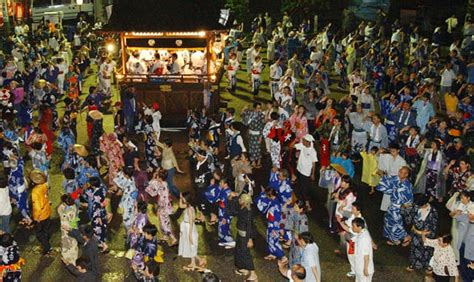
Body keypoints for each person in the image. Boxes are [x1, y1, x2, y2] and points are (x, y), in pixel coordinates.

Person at [376, 167, 414, 246]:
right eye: (400, 171)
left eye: (402, 172)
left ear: (406, 174)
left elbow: (408, 202)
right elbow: (386, 184)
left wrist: (403, 208)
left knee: (397, 224)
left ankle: (404, 237)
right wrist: (383, 175)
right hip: (392, 206)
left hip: (399, 208)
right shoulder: (397, 180)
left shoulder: (407, 186)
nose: (400, 173)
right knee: (390, 222)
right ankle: (395, 238)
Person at [227, 193, 257, 280]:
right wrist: (229, 200)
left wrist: (250, 239)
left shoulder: (248, 212)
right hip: (240, 234)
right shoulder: (242, 208)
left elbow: (249, 226)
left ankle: (253, 273)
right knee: (239, 252)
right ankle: (244, 268)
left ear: (244, 201)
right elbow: (231, 212)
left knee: (246, 253)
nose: (239, 200)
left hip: (245, 236)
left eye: (240, 199)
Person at [178, 192, 206, 271]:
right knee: (190, 246)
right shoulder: (189, 206)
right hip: (187, 227)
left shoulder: (189, 209)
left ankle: (198, 260)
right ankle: (194, 262)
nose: (182, 199)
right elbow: (180, 206)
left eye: (183, 198)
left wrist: (189, 234)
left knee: (191, 245)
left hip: (188, 228)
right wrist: (180, 198)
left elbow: (191, 222)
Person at [30, 169, 52, 255]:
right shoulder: (44, 186)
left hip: (40, 215)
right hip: (47, 211)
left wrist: (37, 217)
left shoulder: (35, 192)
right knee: (46, 230)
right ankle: (47, 241)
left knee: (39, 233)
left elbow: (37, 207)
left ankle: (47, 247)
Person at [294, 134, 318, 211]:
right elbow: (292, 146)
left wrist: (312, 174)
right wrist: (294, 141)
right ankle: (301, 200)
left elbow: (314, 163)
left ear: (308, 142)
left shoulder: (312, 151)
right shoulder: (302, 146)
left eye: (304, 140)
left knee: (304, 189)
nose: (302, 141)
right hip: (299, 169)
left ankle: (308, 205)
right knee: (299, 186)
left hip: (306, 172)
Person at [57, 194, 79, 265]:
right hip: (68, 230)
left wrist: (71, 228)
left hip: (69, 229)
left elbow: (70, 221)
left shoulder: (72, 208)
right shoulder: (65, 207)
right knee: (68, 244)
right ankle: (67, 258)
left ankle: (72, 261)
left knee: (72, 244)